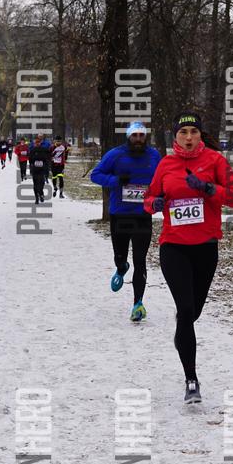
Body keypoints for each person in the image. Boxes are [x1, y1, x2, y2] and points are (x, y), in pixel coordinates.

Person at [143, 111, 233, 404]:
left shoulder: (215, 161)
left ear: (200, 135)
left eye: (193, 132)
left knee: (192, 313)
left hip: (205, 247)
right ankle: (191, 379)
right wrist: (155, 203)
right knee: (185, 310)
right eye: (183, 132)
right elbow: (149, 198)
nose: (188, 137)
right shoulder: (166, 164)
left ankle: (182, 331)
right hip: (173, 246)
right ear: (175, 136)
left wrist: (209, 188)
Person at [90, 121, 161, 321]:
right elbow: (96, 175)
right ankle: (121, 267)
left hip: (142, 215)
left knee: (140, 260)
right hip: (120, 215)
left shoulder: (154, 156)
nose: (138, 139)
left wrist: (159, 197)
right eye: (134, 135)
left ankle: (138, 304)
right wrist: (115, 181)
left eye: (141, 135)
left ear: (145, 137)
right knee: (120, 256)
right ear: (128, 136)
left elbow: (163, 179)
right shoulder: (115, 154)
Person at [28, 135, 51, 204]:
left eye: (38, 142)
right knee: (35, 184)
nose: (37, 144)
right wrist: (31, 168)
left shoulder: (44, 150)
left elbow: (48, 157)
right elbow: (30, 160)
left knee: (41, 183)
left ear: (40, 143)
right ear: (34, 143)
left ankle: (41, 194)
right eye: (36, 142)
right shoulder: (32, 150)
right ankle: (37, 198)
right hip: (35, 169)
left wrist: (47, 165)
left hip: (42, 169)